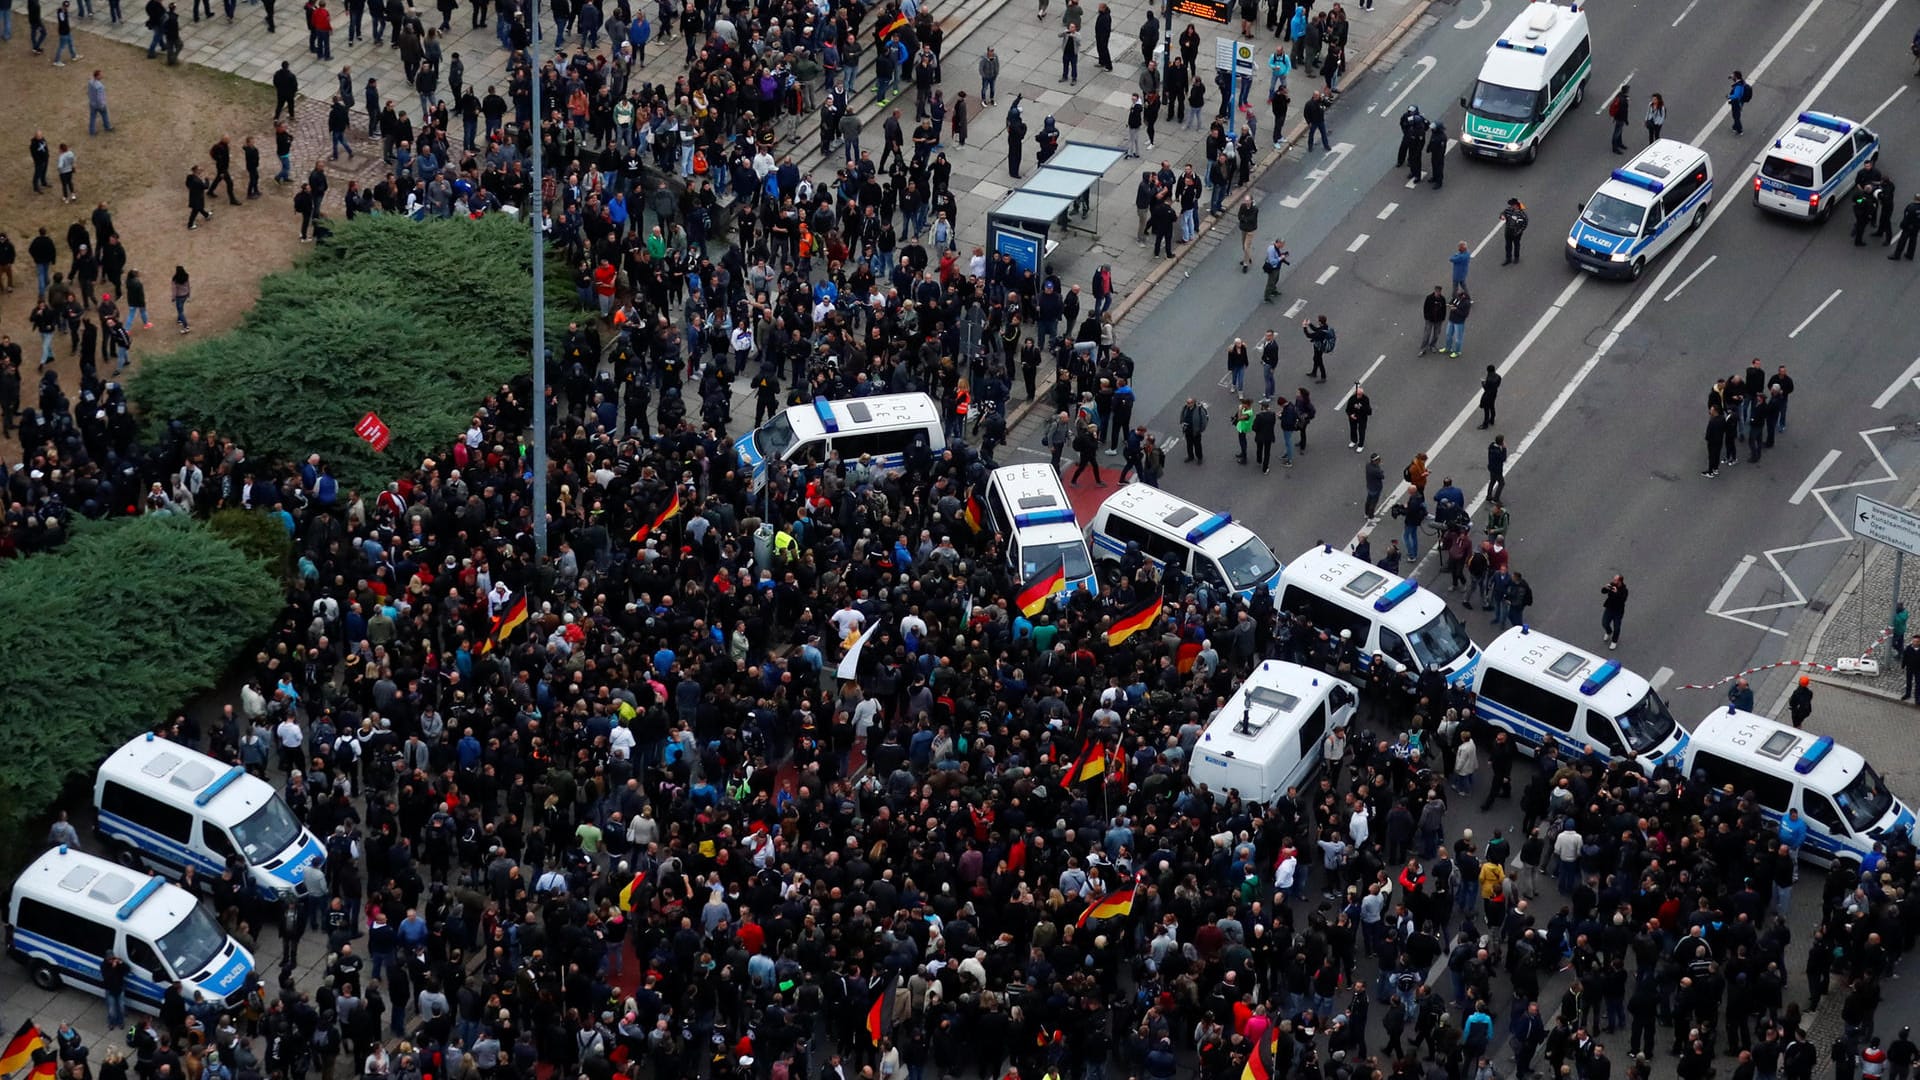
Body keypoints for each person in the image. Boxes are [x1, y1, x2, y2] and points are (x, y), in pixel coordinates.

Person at [1600, 574, 1628, 650]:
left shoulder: (1624, 590)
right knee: (1604, 623)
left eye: (1615, 580)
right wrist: (1605, 587)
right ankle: (1608, 632)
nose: (1613, 581)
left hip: (1618, 611)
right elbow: (1603, 591)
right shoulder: (1612, 585)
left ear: (1620, 581)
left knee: (1617, 628)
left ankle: (1614, 641)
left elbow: (1623, 600)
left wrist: (1616, 593)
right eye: (1614, 579)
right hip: (1609, 608)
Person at [1303, 314, 1332, 381]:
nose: (1317, 322)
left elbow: (1309, 335)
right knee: (1316, 359)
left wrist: (1304, 327)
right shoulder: (1324, 326)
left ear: (1320, 322)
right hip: (1318, 346)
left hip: (1319, 347)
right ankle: (1314, 372)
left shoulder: (1320, 333)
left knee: (1319, 361)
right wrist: (1309, 324)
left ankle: (1323, 377)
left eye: (1318, 321)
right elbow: (1316, 329)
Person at [1180, 396, 1208, 463]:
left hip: (1196, 432)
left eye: (1189, 403)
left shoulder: (1199, 410)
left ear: (1193, 403)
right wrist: (1182, 423)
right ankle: (1190, 456)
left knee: (1197, 446)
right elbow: (1182, 415)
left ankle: (1199, 458)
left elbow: (1204, 422)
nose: (1187, 404)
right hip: (1187, 431)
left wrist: (1200, 430)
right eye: (1187, 402)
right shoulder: (1185, 408)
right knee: (1189, 445)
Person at [1892, 194, 1920, 261]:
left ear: (1915, 198)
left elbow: (1906, 218)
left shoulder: (1911, 207)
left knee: (1902, 241)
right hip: (1917, 227)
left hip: (1908, 227)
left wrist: (1902, 225)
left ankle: (1897, 255)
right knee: (1913, 240)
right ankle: (1910, 254)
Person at [1500, 198, 1528, 264]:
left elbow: (1524, 225)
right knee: (1508, 246)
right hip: (1508, 231)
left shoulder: (1522, 215)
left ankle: (1516, 258)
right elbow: (1502, 213)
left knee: (1516, 245)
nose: (1511, 206)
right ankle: (1508, 259)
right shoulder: (1508, 210)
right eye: (1511, 205)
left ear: (1517, 205)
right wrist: (1502, 216)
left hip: (1516, 233)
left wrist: (1519, 232)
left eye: (1513, 205)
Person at [1252, 399, 1277, 472]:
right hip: (1269, 436)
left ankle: (1259, 460)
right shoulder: (1272, 415)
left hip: (1260, 436)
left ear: (1262, 407)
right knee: (1267, 452)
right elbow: (1273, 423)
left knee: (1259, 448)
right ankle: (1265, 468)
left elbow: (1254, 427)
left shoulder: (1259, 416)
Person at [87, 70, 113, 135]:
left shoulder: (90, 82)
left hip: (92, 103)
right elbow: (99, 98)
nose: (102, 76)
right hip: (99, 105)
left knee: (92, 118)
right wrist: (102, 105)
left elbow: (89, 92)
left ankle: (92, 131)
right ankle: (107, 127)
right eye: (100, 75)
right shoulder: (100, 86)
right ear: (97, 76)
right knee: (105, 115)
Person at [185, 165, 211, 229]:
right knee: (195, 210)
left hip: (193, 195)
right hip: (197, 197)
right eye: (199, 169)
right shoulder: (197, 181)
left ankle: (206, 215)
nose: (201, 170)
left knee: (199, 208)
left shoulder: (190, 177)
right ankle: (190, 225)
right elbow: (205, 186)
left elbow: (187, 184)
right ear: (196, 170)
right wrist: (207, 179)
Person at [1347, 384, 1371, 452]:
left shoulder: (1365, 399)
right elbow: (1348, 409)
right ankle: (1354, 440)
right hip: (1353, 416)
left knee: (1361, 431)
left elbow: (1368, 411)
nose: (1358, 396)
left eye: (1360, 394)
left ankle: (1361, 445)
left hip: (1362, 417)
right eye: (1357, 394)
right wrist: (1351, 415)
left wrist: (1361, 407)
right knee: (1353, 429)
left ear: (1362, 394)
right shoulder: (1352, 398)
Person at [1237, 196, 1258, 270]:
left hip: (1250, 230)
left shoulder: (1254, 209)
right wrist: (1244, 219)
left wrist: (1244, 218)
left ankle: (1245, 264)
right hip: (1243, 228)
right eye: (1245, 200)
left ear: (1251, 201)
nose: (1246, 202)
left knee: (1246, 247)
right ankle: (1248, 257)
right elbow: (1239, 216)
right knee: (1243, 246)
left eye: (1248, 200)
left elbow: (1251, 219)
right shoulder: (1243, 206)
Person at [1607, 84, 1629, 153]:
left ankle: (1619, 143)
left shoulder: (1619, 96)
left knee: (1619, 131)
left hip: (1617, 117)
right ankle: (1615, 148)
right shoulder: (1623, 100)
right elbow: (1624, 111)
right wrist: (1626, 120)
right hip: (1620, 118)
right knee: (1617, 133)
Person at [1487, 434, 1507, 503]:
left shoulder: (1491, 446)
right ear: (1501, 442)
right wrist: (1504, 449)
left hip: (1491, 467)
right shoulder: (1498, 452)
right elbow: (1503, 458)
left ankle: (1489, 496)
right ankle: (1496, 498)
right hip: (1497, 470)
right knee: (1501, 483)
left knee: (1492, 481)